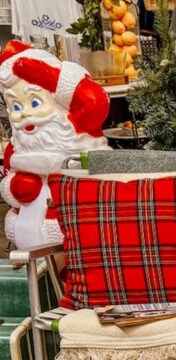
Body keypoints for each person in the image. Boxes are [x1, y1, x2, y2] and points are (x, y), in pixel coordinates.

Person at [0, 41, 110, 249]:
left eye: (35, 102)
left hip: (84, 228)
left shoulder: (75, 131)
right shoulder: (17, 148)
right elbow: (9, 184)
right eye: (16, 106)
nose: (25, 113)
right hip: (31, 231)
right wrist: (14, 189)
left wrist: (50, 76)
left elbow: (95, 101)